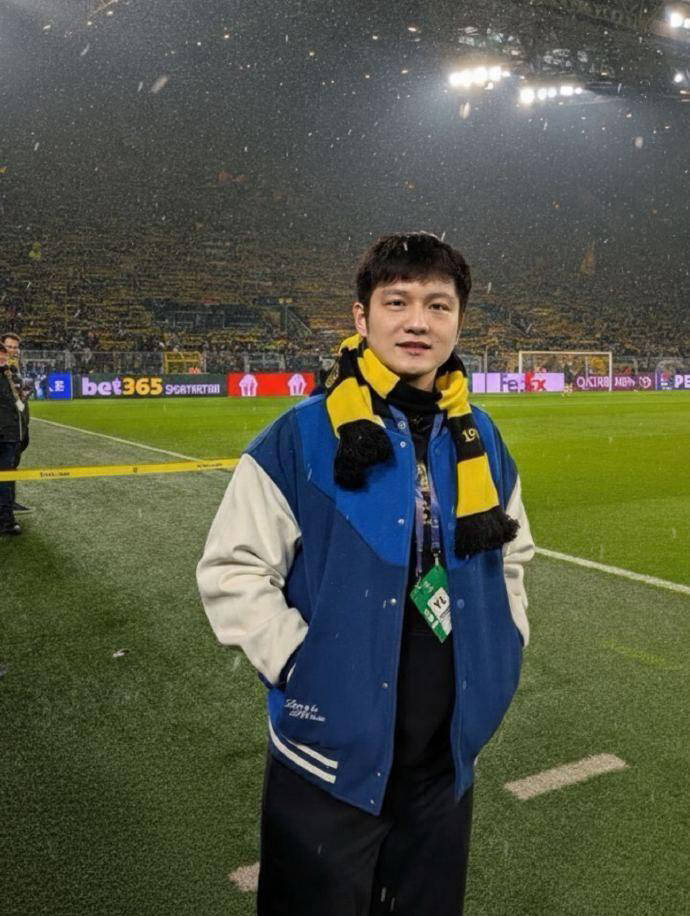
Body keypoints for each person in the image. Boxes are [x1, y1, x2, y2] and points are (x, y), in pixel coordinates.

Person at [197, 232, 535, 916]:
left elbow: (514, 558)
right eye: (397, 301)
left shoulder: (483, 439)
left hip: (443, 764)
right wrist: (304, 668)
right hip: (327, 762)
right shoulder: (299, 435)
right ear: (362, 316)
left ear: (459, 320)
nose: (418, 322)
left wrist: (507, 644)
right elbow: (234, 569)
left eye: (438, 305)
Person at [1, 332, 32, 517]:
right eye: (9, 347)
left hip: (18, 427)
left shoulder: (15, 368)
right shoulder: (3, 370)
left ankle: (9, 502)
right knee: (5, 469)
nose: (12, 350)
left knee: (12, 467)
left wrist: (24, 393)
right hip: (6, 430)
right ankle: (5, 511)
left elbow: (18, 399)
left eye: (15, 347)